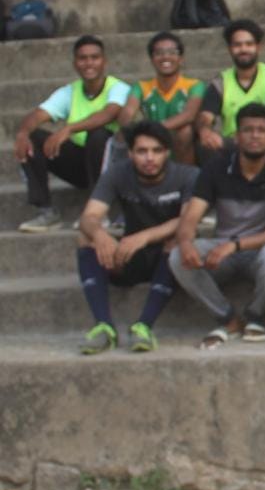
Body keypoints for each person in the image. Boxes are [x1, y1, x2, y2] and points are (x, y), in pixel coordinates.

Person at [169, 103, 265, 349]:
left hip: (260, 249)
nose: (254, 136)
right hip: (221, 250)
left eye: (262, 130)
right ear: (236, 137)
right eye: (247, 130)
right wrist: (185, 241)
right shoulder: (216, 169)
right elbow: (191, 217)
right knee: (176, 256)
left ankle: (255, 315)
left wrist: (236, 245)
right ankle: (228, 318)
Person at [75, 121, 198, 355]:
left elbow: (187, 221)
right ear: (130, 153)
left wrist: (145, 236)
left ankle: (143, 326)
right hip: (131, 253)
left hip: (170, 258)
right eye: (142, 151)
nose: (149, 158)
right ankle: (104, 327)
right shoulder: (117, 173)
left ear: (167, 152)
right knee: (85, 237)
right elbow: (88, 217)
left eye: (156, 151)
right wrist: (100, 234)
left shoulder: (188, 175)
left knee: (178, 241)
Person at [14, 35, 131, 233]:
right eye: (83, 58)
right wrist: (23, 133)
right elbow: (37, 115)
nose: (89, 63)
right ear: (75, 63)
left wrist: (68, 129)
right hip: (82, 166)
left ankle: (97, 212)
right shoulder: (70, 91)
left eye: (94, 57)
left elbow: (109, 113)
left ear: (104, 61)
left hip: (112, 165)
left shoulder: (119, 88)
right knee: (32, 138)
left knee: (98, 134)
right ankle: (46, 212)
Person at [195, 19, 265, 162]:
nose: (243, 49)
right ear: (230, 48)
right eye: (237, 45)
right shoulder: (220, 83)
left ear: (258, 47)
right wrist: (205, 130)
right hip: (233, 142)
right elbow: (206, 116)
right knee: (206, 145)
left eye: (249, 44)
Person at [118, 31, 206, 164]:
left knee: (185, 131)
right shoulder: (141, 87)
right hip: (151, 141)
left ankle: (186, 175)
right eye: (159, 53)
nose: (165, 57)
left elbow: (189, 115)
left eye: (172, 52)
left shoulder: (195, 85)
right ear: (152, 59)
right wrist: (129, 124)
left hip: (182, 143)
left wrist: (153, 129)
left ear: (181, 58)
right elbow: (128, 112)